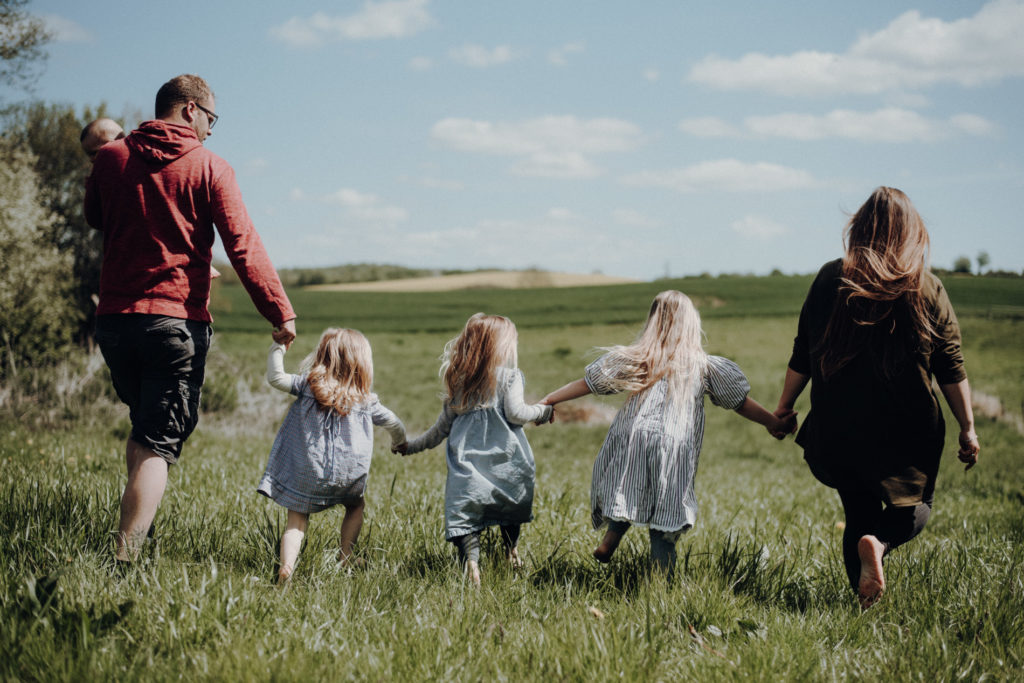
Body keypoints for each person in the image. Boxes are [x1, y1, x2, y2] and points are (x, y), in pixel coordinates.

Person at [85, 74, 297, 565]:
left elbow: (95, 217)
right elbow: (242, 245)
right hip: (174, 322)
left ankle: (136, 527)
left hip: (115, 321)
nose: (210, 129)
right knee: (158, 441)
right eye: (211, 118)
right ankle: (125, 560)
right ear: (189, 110)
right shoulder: (210, 166)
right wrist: (279, 310)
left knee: (143, 427)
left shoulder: (111, 157)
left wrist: (105, 166)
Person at [773, 187, 980, 608]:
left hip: (839, 425)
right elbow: (950, 367)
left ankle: (864, 607)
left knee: (858, 511)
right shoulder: (926, 287)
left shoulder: (830, 278)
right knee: (917, 505)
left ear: (860, 228)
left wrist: (784, 407)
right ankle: (880, 544)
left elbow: (803, 352)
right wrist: (968, 428)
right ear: (911, 232)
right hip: (907, 429)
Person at [541, 290, 793, 576]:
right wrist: (773, 422)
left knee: (630, 484)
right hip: (673, 443)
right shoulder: (703, 366)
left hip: (633, 436)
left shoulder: (639, 358)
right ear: (692, 324)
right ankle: (662, 581)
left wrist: (550, 399)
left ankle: (610, 539)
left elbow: (588, 383)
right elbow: (739, 402)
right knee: (666, 510)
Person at [397, 314, 552, 586]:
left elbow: (439, 431)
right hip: (507, 464)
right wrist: (543, 411)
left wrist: (410, 446)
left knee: (465, 517)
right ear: (501, 347)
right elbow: (516, 414)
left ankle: (471, 561)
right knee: (509, 509)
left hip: (468, 470)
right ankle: (510, 551)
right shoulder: (510, 378)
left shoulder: (461, 383)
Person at [258, 328, 406, 583]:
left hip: (308, 471)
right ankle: (346, 556)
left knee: (297, 521)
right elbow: (394, 422)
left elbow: (276, 377)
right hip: (348, 476)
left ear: (322, 356)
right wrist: (399, 442)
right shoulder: (365, 400)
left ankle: (287, 567)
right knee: (355, 506)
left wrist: (278, 348)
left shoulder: (307, 386)